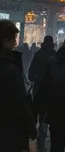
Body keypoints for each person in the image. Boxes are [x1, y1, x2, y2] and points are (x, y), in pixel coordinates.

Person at [0, 20, 37, 152]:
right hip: (9, 132)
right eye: (14, 39)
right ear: (6, 40)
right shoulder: (10, 69)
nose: (16, 43)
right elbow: (20, 103)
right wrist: (31, 128)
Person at [29, 35, 56, 149]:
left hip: (39, 87)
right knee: (49, 109)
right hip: (52, 88)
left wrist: (35, 79)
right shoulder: (56, 55)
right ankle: (44, 130)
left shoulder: (38, 54)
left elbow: (31, 72)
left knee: (38, 108)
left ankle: (39, 129)